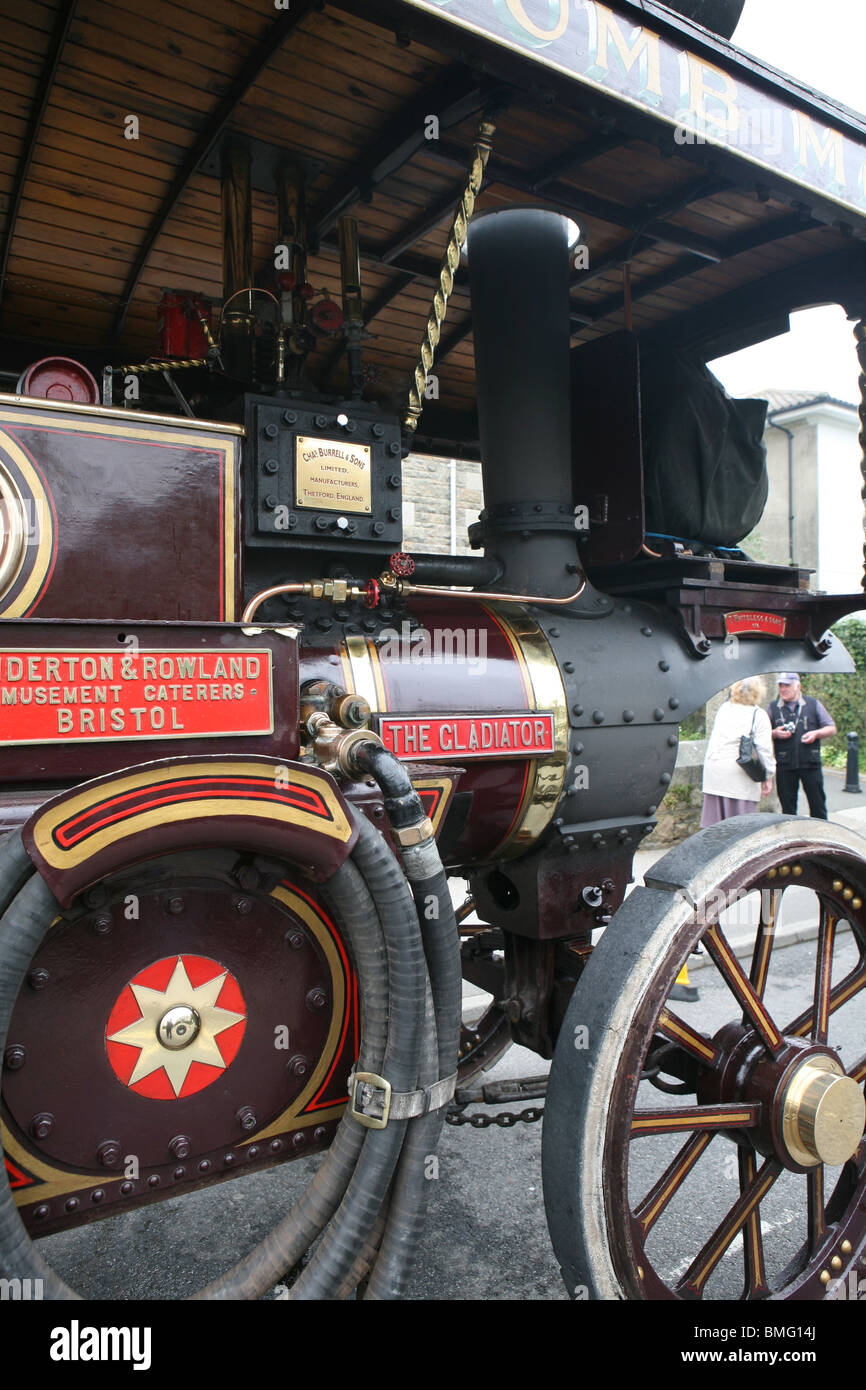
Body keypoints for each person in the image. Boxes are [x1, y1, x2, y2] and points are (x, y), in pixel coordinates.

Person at [701, 678, 775, 826]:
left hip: (714, 772)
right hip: (739, 775)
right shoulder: (758, 715)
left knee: (713, 828)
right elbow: (764, 749)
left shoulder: (724, 709)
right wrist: (768, 775)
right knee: (740, 829)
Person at [767, 672, 836, 819]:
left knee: (818, 806)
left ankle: (821, 836)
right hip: (785, 765)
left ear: (798, 686)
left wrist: (816, 734)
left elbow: (831, 728)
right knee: (787, 809)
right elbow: (762, 733)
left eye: (787, 685)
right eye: (781, 685)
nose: (783, 689)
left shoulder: (813, 704)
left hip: (810, 764)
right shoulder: (772, 707)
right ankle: (791, 838)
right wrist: (774, 733)